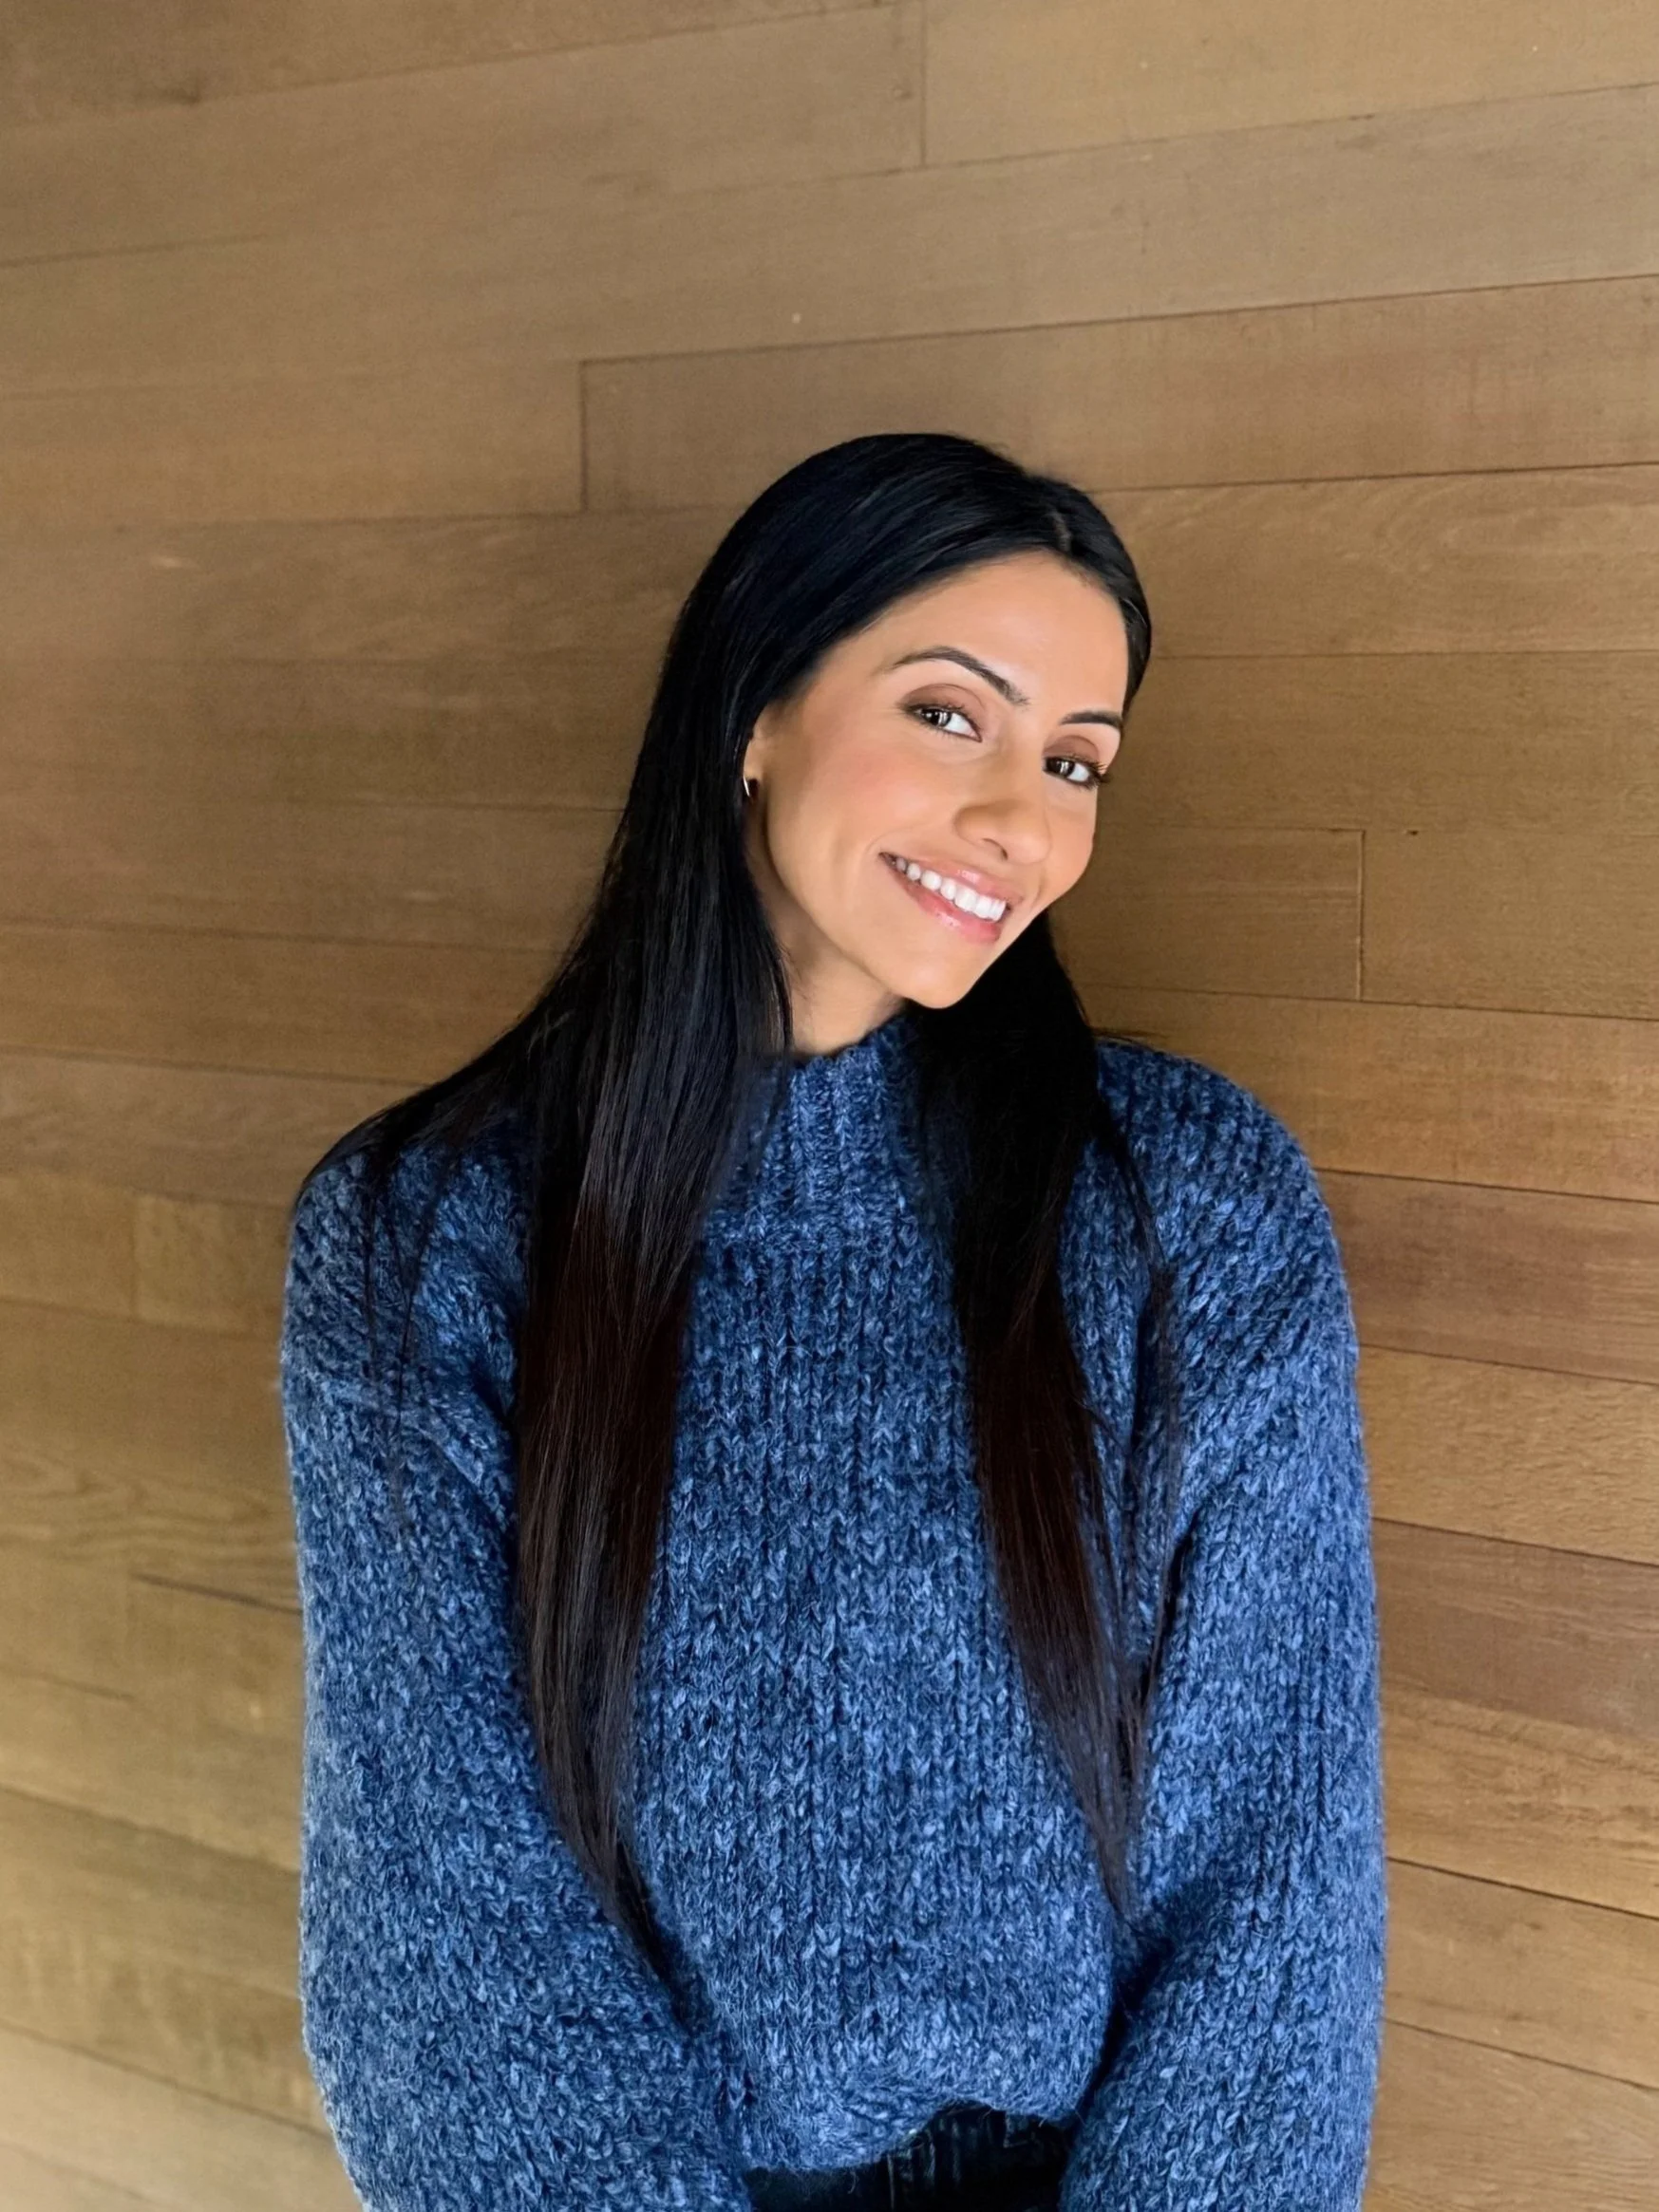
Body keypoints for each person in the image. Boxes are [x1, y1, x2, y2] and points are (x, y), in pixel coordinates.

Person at [279, 432, 1387, 2211]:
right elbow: (446, 1918)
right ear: (755, 708)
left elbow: (1274, 1887)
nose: (1023, 822)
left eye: (1076, 760)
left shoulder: (1189, 1208)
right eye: (952, 714)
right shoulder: (421, 1241)